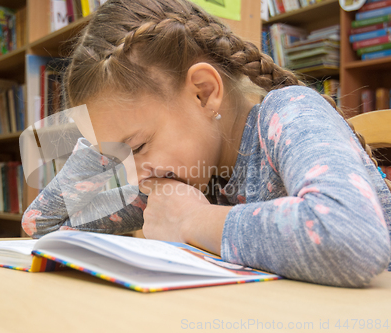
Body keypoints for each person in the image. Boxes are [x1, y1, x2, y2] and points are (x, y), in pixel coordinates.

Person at [22, 0, 391, 288]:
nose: (133, 174)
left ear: (203, 93)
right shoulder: (184, 178)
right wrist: (103, 144)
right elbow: (43, 226)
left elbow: (351, 238)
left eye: (137, 146)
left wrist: (193, 220)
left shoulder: (289, 113)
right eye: (119, 158)